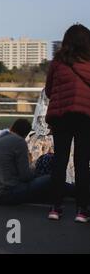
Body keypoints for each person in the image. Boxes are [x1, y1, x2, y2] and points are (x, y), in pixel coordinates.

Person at [45, 24, 90, 222]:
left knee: (60, 160)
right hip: (85, 116)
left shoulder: (57, 62)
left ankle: (55, 207)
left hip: (60, 115)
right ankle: (82, 210)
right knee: (82, 162)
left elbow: (48, 91)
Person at [0, 119, 62, 205]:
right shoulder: (19, 142)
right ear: (25, 135)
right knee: (50, 179)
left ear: (12, 127)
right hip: (4, 194)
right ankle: (74, 191)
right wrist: (36, 173)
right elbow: (25, 176)